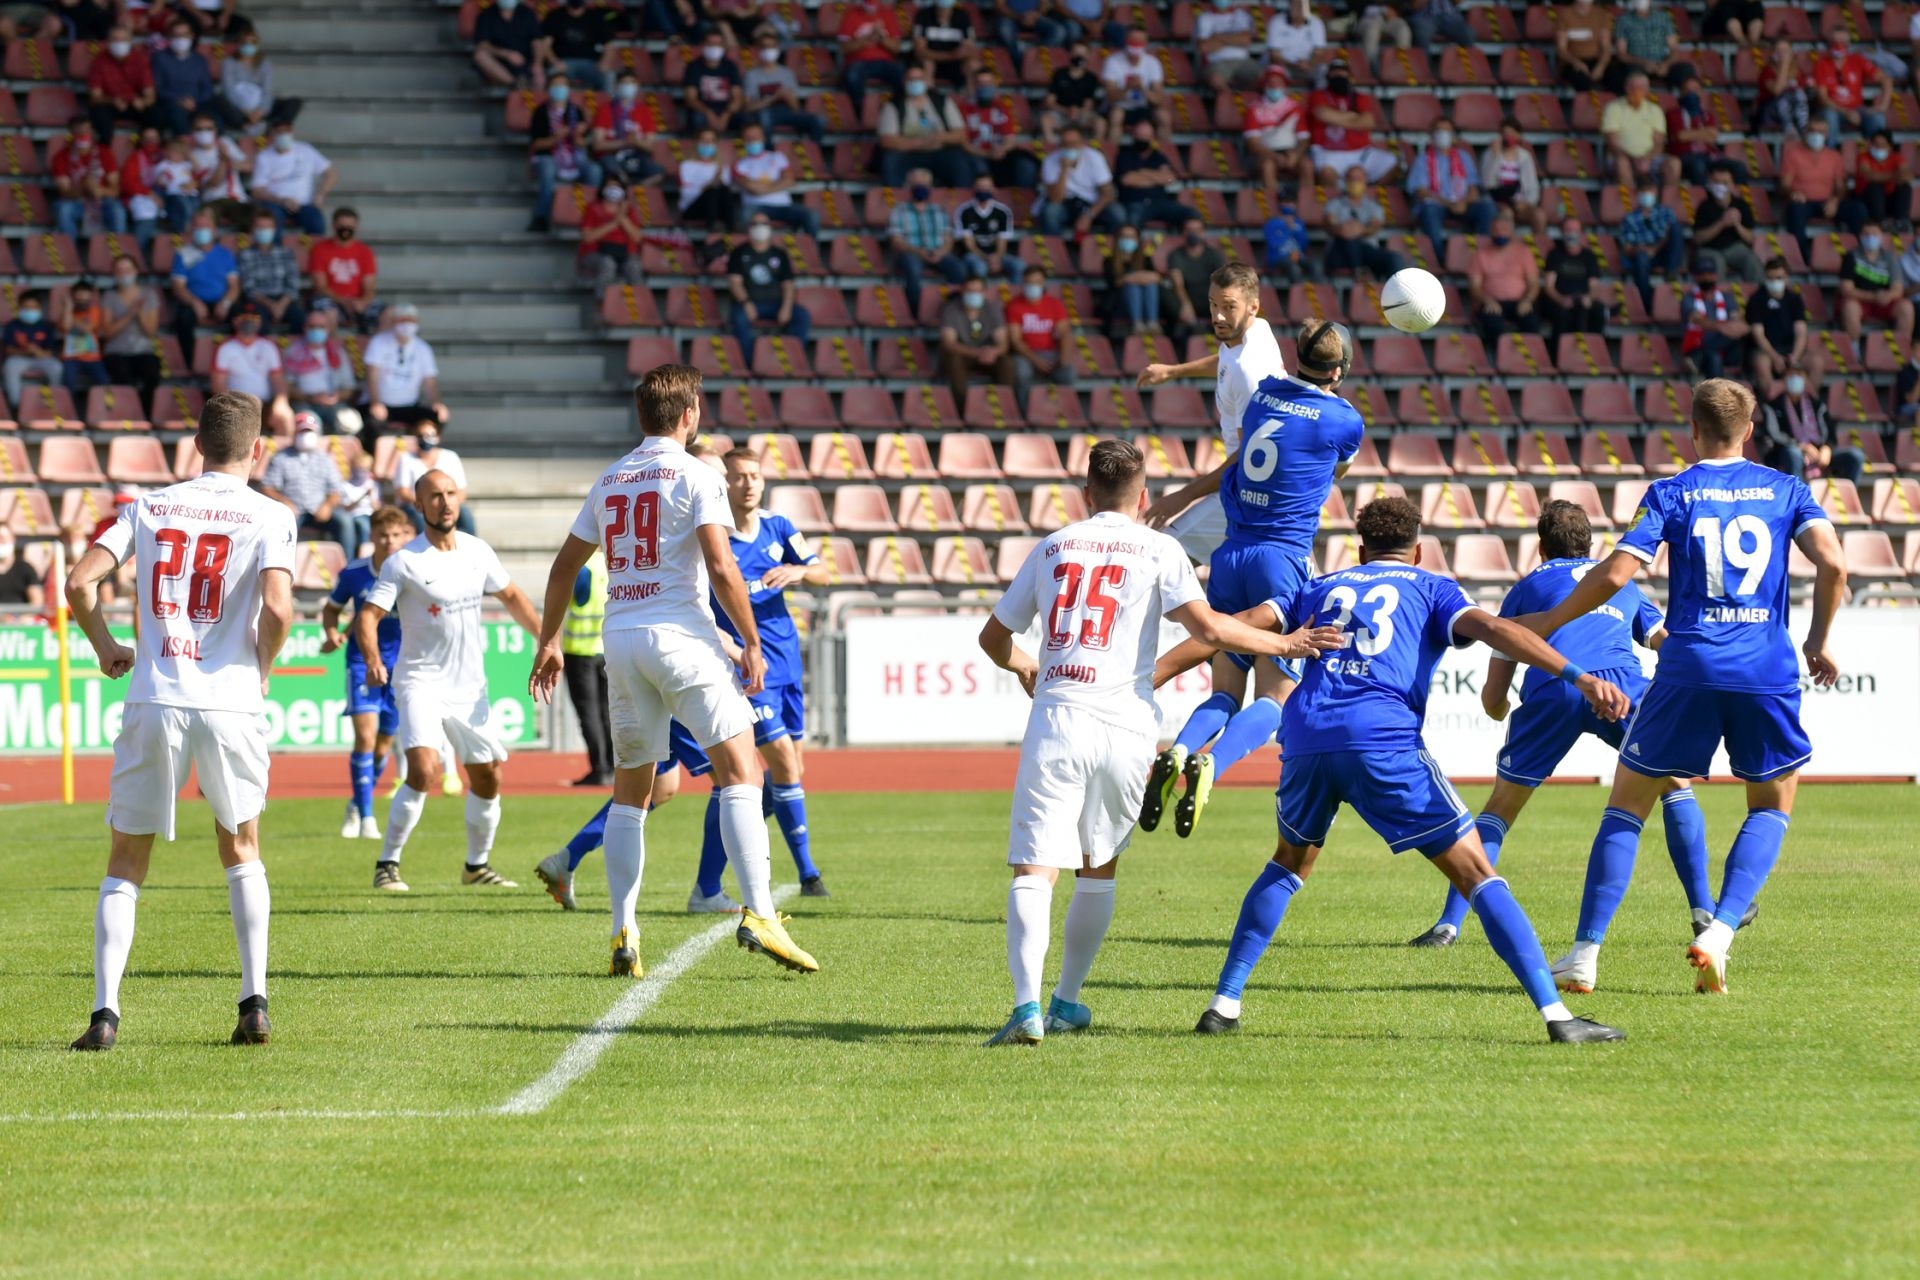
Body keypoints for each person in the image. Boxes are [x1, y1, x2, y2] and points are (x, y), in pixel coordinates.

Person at [1166, 496, 1630, 1044]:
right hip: (1381, 741)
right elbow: (1496, 630)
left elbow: (1228, 628)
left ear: (1360, 549)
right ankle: (1558, 1018)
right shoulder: (1431, 587)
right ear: (1416, 550)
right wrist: (1577, 675)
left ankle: (1223, 1004)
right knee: (1478, 874)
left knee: (1288, 864)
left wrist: (1152, 674)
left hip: (1306, 738)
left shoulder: (1319, 586)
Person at [976, 439, 1343, 1045]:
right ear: (1143, 495)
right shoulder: (1159, 548)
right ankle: (1067, 1001)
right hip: (1128, 723)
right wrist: (1286, 645)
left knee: (1035, 868)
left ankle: (1026, 1009)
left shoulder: (1054, 545)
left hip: (1061, 713)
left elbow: (993, 637)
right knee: (1098, 867)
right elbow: (1209, 629)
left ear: (1085, 494)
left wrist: (1023, 666)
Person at [1515, 379, 1848, 997]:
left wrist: (1551, 621)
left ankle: (1585, 954)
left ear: (1691, 431)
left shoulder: (1671, 492)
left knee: (1627, 804)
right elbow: (1833, 564)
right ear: (1751, 431)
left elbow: (1617, 571)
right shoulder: (1788, 490)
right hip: (1764, 670)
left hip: (1688, 665)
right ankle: (1719, 930)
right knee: (1772, 804)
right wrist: (1819, 640)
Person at [529, 364, 820, 976]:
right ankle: (761, 913)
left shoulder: (611, 477)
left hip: (622, 639)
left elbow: (563, 568)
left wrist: (549, 639)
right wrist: (749, 640)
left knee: (631, 794)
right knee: (741, 769)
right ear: (690, 416)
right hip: (682, 637)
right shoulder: (697, 473)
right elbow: (720, 566)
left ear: (641, 416)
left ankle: (622, 932)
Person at [64, 391, 297, 1051]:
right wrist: (263, 666)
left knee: (126, 857)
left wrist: (107, 647)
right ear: (258, 449)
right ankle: (254, 1001)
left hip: (155, 693)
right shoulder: (270, 514)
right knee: (241, 848)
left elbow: (80, 583)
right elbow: (278, 610)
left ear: (195, 445)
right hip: (230, 700)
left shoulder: (149, 505)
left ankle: (105, 1015)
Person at [1407, 500, 1710, 956]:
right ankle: (1703, 910)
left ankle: (1449, 924)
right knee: (1673, 783)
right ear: (1591, 544)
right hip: (1621, 688)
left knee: (1499, 811)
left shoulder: (1527, 588)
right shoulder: (1621, 584)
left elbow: (1494, 692)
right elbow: (1665, 643)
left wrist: (1498, 708)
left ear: (1541, 549)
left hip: (1555, 688)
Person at [1143, 320, 1363, 838]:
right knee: (1274, 697)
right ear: (1339, 371)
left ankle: (1177, 750)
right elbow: (1335, 473)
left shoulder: (1264, 395)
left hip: (1230, 554)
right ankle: (1211, 765)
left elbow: (1244, 455)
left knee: (1224, 688)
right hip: (1280, 559)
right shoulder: (1344, 419)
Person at [357, 470, 541, 892]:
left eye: (450, 494)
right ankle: (387, 863)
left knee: (488, 777)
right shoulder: (404, 561)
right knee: (423, 770)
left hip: (469, 686)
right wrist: (372, 659)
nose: (444, 502)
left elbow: (512, 597)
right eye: (434, 496)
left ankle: (476, 866)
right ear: (419, 506)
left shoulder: (478, 551)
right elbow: (368, 616)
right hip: (420, 681)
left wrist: (547, 641)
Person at [321, 506, 413, 839]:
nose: (389, 542)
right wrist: (333, 632)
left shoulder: (414, 572)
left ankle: (357, 805)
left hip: (402, 665)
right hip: (362, 662)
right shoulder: (355, 573)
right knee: (365, 735)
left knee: (385, 742)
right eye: (383, 535)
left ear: (406, 536)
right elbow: (332, 609)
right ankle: (369, 818)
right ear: (372, 536)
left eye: (395, 535)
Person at [557, 548, 613, 789]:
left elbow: (568, 597)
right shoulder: (612, 563)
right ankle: (613, 767)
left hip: (580, 649)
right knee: (607, 711)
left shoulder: (582, 565)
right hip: (607, 648)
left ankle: (599, 769)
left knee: (588, 713)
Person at [726, 211, 810, 363]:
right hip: (750, 303)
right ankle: (749, 363)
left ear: (770, 228)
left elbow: (788, 285)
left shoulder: (780, 254)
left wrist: (786, 307)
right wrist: (746, 303)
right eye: (755, 224)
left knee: (801, 315)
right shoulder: (738, 253)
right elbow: (734, 283)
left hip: (775, 304)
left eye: (764, 224)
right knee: (738, 318)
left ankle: (794, 359)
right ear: (749, 228)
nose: (760, 228)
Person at [259, 413, 353, 547]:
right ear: (295, 433)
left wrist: (327, 505)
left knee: (345, 521)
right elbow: (267, 487)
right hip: (293, 511)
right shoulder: (280, 457)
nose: (306, 435)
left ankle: (347, 564)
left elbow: (336, 490)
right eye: (302, 431)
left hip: (319, 510)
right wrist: (285, 503)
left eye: (309, 431)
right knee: (281, 526)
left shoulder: (325, 459)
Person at [1759, 366, 1865, 484]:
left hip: (1818, 451)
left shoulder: (1817, 405)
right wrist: (1802, 446)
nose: (1795, 379)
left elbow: (1830, 431)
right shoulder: (1773, 407)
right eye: (1791, 375)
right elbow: (1774, 435)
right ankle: (1800, 498)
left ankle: (1845, 495)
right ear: (1784, 380)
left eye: (1799, 375)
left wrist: (1827, 448)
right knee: (1793, 454)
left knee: (1855, 456)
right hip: (1788, 453)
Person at [876, 65, 973, 189]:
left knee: (959, 161)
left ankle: (961, 199)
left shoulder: (942, 101)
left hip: (938, 151)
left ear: (926, 81)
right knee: (890, 160)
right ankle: (892, 200)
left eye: (919, 79)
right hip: (908, 154)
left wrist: (940, 137)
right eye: (911, 79)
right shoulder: (893, 105)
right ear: (904, 82)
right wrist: (922, 142)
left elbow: (960, 133)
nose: (915, 82)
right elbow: (887, 140)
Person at [362, 304, 447, 441]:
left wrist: (437, 403)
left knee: (437, 416)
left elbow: (430, 382)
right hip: (381, 405)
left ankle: (425, 453)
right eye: (402, 320)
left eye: (411, 321)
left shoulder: (423, 349)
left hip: (409, 406)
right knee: (372, 423)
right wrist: (376, 403)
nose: (407, 325)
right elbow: (372, 377)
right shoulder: (378, 343)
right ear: (394, 322)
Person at [888, 167, 966, 314]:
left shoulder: (940, 211)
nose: (921, 188)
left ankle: (953, 310)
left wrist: (941, 253)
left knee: (958, 269)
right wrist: (919, 251)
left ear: (931, 187)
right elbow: (896, 241)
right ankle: (916, 312)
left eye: (924, 184)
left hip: (937, 253)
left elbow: (948, 239)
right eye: (917, 185)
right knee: (913, 268)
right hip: (911, 253)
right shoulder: (899, 211)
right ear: (909, 187)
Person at [528, 74, 600, 233]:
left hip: (574, 155)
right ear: (549, 89)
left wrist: (579, 137)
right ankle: (541, 217)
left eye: (563, 85)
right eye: (556, 85)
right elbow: (536, 144)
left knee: (594, 170)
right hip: (547, 155)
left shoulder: (576, 111)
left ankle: (592, 217)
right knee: (548, 169)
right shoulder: (540, 112)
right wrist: (556, 138)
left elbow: (583, 143)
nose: (559, 89)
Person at [1408, 118, 1494, 249]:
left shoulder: (1463, 157)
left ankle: (1482, 255)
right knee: (1429, 211)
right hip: (1438, 205)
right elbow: (1421, 192)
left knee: (1487, 208)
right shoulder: (1423, 159)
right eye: (1439, 130)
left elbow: (1473, 187)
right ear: (1431, 135)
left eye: (1447, 130)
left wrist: (1464, 202)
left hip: (1462, 203)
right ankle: (1438, 261)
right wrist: (1449, 204)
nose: (1444, 134)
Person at [1307, 56, 1394, 184]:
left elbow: (1368, 122)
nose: (1339, 74)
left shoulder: (1359, 97)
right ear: (1328, 75)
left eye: (1342, 71)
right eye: (1334, 71)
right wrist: (1354, 117)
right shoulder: (1318, 95)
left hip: (1360, 151)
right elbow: (1323, 114)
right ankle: (1337, 202)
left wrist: (1337, 117)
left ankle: (1367, 197)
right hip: (1329, 151)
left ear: (1349, 75)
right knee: (1326, 172)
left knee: (1389, 162)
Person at [1839, 221, 1914, 357]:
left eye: (1874, 234)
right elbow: (1847, 289)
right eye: (1866, 234)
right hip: (1860, 301)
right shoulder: (1851, 256)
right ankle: (1853, 351)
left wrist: (1888, 296)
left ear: (1882, 236)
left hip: (1885, 302)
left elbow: (1898, 289)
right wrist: (1874, 296)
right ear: (1860, 236)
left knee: (1906, 307)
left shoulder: (1890, 257)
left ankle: (1901, 352)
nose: (1870, 237)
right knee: (1850, 307)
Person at [1779, 121, 1853, 258]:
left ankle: (1856, 256)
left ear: (1827, 135)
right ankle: (1800, 257)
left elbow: (1841, 187)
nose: (1816, 135)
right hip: (1803, 203)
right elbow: (1784, 185)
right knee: (1795, 210)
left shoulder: (1834, 156)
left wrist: (1835, 201)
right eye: (1813, 131)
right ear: (1806, 133)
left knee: (1858, 210)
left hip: (1827, 203)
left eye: (1821, 132)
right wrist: (1792, 193)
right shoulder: (1793, 154)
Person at [1468, 209, 1540, 346]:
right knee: (1493, 325)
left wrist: (1528, 300)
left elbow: (1533, 283)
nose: (1500, 233)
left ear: (1512, 231)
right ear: (1490, 231)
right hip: (1491, 303)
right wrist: (1487, 300)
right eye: (1496, 229)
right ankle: (1498, 361)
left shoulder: (1524, 252)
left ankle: (1527, 361)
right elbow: (1474, 286)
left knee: (1531, 323)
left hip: (1520, 301)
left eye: (1504, 229)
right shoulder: (1480, 254)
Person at [283, 302, 358, 434]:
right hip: (304, 403)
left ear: (328, 329)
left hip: (334, 404)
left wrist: (336, 397)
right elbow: (286, 386)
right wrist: (310, 397)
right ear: (305, 328)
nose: (316, 330)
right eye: (312, 326)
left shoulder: (338, 353)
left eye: (321, 327)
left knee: (349, 423)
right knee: (309, 425)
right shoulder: (293, 352)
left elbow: (349, 388)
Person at [732, 123, 818, 236]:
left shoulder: (778, 157)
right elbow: (754, 189)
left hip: (784, 207)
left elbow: (789, 181)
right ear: (743, 140)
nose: (752, 140)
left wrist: (761, 187)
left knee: (812, 216)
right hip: (756, 208)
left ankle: (810, 251)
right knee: (743, 215)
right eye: (749, 137)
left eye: (756, 136)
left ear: (763, 138)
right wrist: (777, 184)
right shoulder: (738, 165)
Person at [51, 117, 129, 242]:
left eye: (86, 130)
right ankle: (70, 253)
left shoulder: (105, 153)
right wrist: (83, 187)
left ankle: (119, 252)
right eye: (78, 131)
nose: (83, 134)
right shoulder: (61, 157)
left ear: (92, 132)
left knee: (118, 211)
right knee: (63, 210)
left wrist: (101, 190)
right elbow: (64, 192)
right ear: (71, 134)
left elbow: (116, 189)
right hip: (77, 201)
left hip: (102, 200)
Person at [249, 121, 333, 236]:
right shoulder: (264, 157)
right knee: (271, 222)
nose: (284, 135)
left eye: (287, 131)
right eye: (279, 132)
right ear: (272, 135)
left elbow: (331, 173)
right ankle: (275, 252)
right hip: (276, 203)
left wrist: (320, 194)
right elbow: (257, 191)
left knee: (316, 223)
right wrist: (282, 200)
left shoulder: (306, 150)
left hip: (305, 203)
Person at [1034, 123, 1120, 236]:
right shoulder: (1050, 160)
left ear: (1081, 144)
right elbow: (1056, 199)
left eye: (1073, 143)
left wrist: (1089, 216)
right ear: (1060, 145)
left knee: (1117, 213)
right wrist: (1064, 169)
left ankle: (1110, 250)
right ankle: (1054, 250)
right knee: (1050, 212)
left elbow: (1108, 193)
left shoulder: (1095, 157)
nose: (1069, 147)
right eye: (1065, 144)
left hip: (1090, 203)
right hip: (1065, 204)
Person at [1006, 266, 1073, 408]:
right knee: (1021, 372)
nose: (1033, 286)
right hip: (1025, 355)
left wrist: (1063, 359)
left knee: (1067, 373)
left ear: (1043, 283)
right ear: (1023, 283)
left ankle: (1062, 411)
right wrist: (1036, 360)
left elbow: (1065, 334)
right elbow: (1015, 341)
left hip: (1051, 353)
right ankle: (1024, 412)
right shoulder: (1013, 306)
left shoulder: (1055, 304)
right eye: (1029, 282)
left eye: (1037, 282)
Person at [1112, 118, 1197, 231]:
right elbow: (1127, 180)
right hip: (1135, 203)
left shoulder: (1158, 156)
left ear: (1152, 138)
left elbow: (1169, 179)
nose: (1142, 139)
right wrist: (1156, 177)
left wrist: (1142, 172)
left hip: (1161, 203)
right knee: (1130, 228)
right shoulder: (1124, 155)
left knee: (1192, 215)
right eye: (1140, 135)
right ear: (1133, 136)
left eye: (1145, 136)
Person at [1746, 256, 1812, 400]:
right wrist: (1775, 357)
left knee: (1816, 362)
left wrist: (1795, 356)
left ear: (1786, 278)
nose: (1774, 282)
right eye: (1770, 278)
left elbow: (1801, 332)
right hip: (1766, 350)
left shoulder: (1794, 299)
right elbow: (1758, 334)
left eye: (1778, 278)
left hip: (1790, 348)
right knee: (1761, 362)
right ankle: (1774, 404)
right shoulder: (1756, 299)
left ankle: (1809, 403)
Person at [938, 272, 1011, 401]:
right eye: (969, 290)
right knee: (953, 360)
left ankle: (1004, 403)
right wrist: (975, 353)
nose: (973, 294)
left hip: (987, 354)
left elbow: (1003, 343)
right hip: (963, 354)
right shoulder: (951, 310)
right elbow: (949, 343)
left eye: (977, 291)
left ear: (984, 292)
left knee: (1007, 362)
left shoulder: (993, 310)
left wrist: (993, 352)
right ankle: (963, 407)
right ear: (962, 291)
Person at [391, 423, 475, 535]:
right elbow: (402, 492)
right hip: (416, 506)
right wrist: (427, 503)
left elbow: (461, 491)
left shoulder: (450, 457)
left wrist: (448, 504)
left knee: (464, 513)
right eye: (421, 435)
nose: (425, 439)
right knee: (420, 515)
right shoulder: (406, 459)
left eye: (430, 435)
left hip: (446, 504)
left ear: (438, 437)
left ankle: (468, 548)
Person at [102, 256, 162, 409]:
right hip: (117, 352)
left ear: (136, 271)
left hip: (144, 351)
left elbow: (151, 331)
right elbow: (107, 333)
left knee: (152, 373)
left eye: (128, 270)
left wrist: (140, 312)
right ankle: (127, 412)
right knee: (122, 375)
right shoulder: (109, 296)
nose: (124, 274)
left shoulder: (149, 295)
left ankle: (146, 415)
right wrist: (129, 314)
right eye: (119, 270)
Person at [960, 67, 1036, 189]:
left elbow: (1010, 139)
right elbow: (963, 143)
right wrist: (986, 153)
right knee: (977, 165)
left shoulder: (1002, 108)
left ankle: (1023, 200)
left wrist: (1001, 150)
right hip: (976, 155)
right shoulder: (964, 110)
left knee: (1025, 164)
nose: (985, 87)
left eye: (988, 83)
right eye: (981, 83)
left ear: (995, 85)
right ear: (974, 85)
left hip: (999, 153)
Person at [744, 29, 825, 142]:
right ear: (758, 50)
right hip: (764, 112)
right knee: (764, 118)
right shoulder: (751, 75)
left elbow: (796, 107)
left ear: (778, 49)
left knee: (818, 120)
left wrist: (789, 98)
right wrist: (774, 98)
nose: (769, 50)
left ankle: (815, 153)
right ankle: (769, 154)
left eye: (772, 46)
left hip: (786, 112)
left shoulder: (787, 73)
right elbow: (748, 107)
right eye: (765, 47)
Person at [1616, 174, 1684, 309]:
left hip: (1664, 253)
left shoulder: (1666, 213)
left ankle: (1671, 275)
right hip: (1642, 256)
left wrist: (1655, 249)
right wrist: (1640, 250)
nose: (1648, 194)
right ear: (1638, 193)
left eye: (1651, 190)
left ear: (1657, 192)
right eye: (1644, 190)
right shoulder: (1630, 218)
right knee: (1640, 259)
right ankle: (1647, 304)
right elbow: (1627, 249)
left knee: (1676, 229)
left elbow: (1671, 236)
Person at [309, 206, 379, 334]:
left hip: (358, 301)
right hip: (331, 299)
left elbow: (369, 287)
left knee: (390, 314)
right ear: (334, 226)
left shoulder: (365, 252)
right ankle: (333, 352)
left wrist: (362, 302)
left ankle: (376, 351)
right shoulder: (320, 250)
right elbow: (320, 286)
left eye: (350, 226)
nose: (346, 230)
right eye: (342, 225)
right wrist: (344, 301)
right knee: (329, 312)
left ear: (356, 227)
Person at [1810, 30, 1890, 141]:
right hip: (1833, 108)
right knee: (1829, 117)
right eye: (1835, 41)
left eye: (1842, 41)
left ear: (1848, 44)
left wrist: (1883, 106)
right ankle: (1830, 154)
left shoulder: (1857, 60)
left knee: (1878, 118)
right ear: (1829, 43)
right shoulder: (1821, 64)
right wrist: (1846, 112)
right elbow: (1823, 98)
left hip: (1857, 108)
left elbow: (1886, 79)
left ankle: (1871, 154)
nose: (1838, 44)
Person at [1323, 164, 1399, 280]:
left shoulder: (1374, 206)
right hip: (1340, 252)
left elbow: (1375, 226)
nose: (1354, 182)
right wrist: (1344, 229)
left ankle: (1394, 295)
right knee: (1350, 239)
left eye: (1358, 179)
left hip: (1367, 251)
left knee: (1394, 258)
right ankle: (1359, 273)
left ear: (1365, 181)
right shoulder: (1334, 204)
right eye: (1351, 179)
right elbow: (1330, 224)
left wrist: (1360, 229)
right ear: (1345, 181)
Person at [591, 73, 665, 191]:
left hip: (635, 156)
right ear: (617, 86)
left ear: (637, 87)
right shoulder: (605, 110)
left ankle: (632, 191)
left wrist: (636, 142)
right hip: (611, 156)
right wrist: (624, 142)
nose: (628, 86)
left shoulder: (645, 111)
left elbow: (650, 147)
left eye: (632, 83)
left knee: (657, 173)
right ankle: (625, 189)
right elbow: (597, 145)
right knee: (616, 172)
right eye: (624, 82)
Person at [1692, 160, 1762, 284]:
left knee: (1751, 259)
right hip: (1710, 249)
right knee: (1717, 262)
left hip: (1734, 248)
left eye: (1725, 183)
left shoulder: (1742, 205)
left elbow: (1751, 239)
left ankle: (1755, 297)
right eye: (1716, 182)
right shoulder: (1704, 206)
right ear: (1710, 183)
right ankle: (1720, 301)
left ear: (1733, 185)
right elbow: (1698, 239)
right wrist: (1721, 223)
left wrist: (1737, 225)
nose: (1720, 186)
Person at [1242, 65, 1307, 197]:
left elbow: (1304, 138)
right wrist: (1274, 156)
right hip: (1264, 153)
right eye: (1270, 82)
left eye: (1278, 82)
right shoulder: (1253, 109)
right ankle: (1273, 207)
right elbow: (1253, 143)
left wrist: (1295, 154)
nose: (1274, 86)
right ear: (1264, 85)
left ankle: (1306, 206)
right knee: (1267, 166)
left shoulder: (1295, 107)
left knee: (1308, 166)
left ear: (1284, 85)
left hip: (1290, 151)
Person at [86, 24, 159, 141]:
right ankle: (105, 152)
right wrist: (112, 100)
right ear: (108, 42)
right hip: (110, 104)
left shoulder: (140, 60)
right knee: (99, 114)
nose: (119, 43)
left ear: (130, 41)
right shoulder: (99, 62)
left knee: (155, 114)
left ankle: (144, 151)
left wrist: (144, 101)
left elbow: (150, 94)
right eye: (115, 39)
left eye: (123, 40)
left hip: (134, 103)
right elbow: (95, 96)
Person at [153, 20, 224, 136]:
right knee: (178, 118)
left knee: (216, 120)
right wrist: (179, 100)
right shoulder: (160, 59)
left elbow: (207, 87)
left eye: (184, 35)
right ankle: (184, 148)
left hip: (198, 103)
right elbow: (158, 88)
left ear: (191, 36)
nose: (180, 39)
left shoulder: (199, 60)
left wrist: (194, 100)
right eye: (176, 35)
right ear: (169, 37)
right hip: (172, 104)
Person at [1681, 257, 1748, 380]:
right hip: (1699, 344)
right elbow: (1695, 318)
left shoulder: (1727, 297)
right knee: (1713, 357)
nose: (1707, 277)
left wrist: (1734, 328)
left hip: (1728, 350)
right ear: (1696, 277)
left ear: (1716, 275)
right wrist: (1721, 328)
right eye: (1703, 274)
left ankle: (1697, 358)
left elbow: (1736, 319)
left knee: (1743, 335)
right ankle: (1718, 398)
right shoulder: (1689, 298)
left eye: (1710, 274)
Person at [1100, 27, 1172, 141]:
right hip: (1120, 106)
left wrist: (1142, 88)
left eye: (1140, 41)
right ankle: (1112, 152)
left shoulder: (1153, 62)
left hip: (1143, 106)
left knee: (1164, 116)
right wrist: (1127, 88)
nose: (1136, 45)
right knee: (1116, 116)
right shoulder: (1112, 61)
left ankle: (1163, 153)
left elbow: (1158, 98)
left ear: (1146, 43)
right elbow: (1110, 96)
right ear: (1125, 41)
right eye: (1133, 41)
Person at [238, 209, 304, 331]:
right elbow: (249, 288)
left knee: (301, 320)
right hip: (259, 302)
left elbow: (293, 283)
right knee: (257, 323)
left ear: (274, 229)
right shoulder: (245, 255)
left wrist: (281, 305)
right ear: (253, 230)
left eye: (268, 227)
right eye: (260, 227)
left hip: (284, 300)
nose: (264, 231)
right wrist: (271, 305)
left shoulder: (286, 253)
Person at [221, 31, 296, 138]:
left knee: (294, 103)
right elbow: (229, 91)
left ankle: (269, 125)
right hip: (239, 108)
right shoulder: (229, 63)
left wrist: (260, 112)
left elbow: (268, 91)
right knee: (219, 100)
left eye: (252, 43)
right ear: (238, 44)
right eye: (244, 42)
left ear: (257, 45)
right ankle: (244, 125)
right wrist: (247, 112)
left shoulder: (265, 64)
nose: (248, 46)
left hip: (259, 109)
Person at [1541, 217, 1607, 338]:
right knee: (1561, 313)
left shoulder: (1589, 256)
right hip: (1560, 299)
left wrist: (1589, 298)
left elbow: (1594, 286)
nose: (1571, 233)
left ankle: (1592, 349)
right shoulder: (1554, 254)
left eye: (1574, 230)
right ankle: (1558, 353)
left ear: (1581, 233)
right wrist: (1561, 300)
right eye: (1568, 229)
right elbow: (1549, 286)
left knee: (1597, 310)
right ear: (1562, 232)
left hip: (1581, 299)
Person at [1480, 116, 1546, 236]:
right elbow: (1487, 183)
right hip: (1498, 202)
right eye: (1505, 133)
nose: (1508, 137)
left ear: (1518, 136)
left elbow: (1532, 186)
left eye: (1511, 133)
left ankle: (1538, 249)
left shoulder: (1525, 156)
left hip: (1520, 203)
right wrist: (1496, 156)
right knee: (1507, 214)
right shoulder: (1489, 154)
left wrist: (1527, 203)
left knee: (1539, 215)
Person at [1667, 75, 1736, 187]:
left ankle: (1735, 199)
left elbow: (1713, 135)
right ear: (1681, 92)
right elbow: (1681, 136)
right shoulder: (1673, 114)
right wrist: (1704, 133)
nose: (1691, 93)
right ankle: (1702, 198)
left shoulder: (1707, 115)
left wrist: (1691, 134)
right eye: (1687, 89)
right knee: (1699, 165)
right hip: (1685, 156)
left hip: (1709, 155)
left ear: (1701, 92)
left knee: (1738, 167)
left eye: (1695, 90)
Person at [1602, 72, 1667, 189]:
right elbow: (1612, 143)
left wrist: (1647, 158)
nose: (1636, 91)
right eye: (1633, 87)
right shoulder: (1613, 107)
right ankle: (1631, 204)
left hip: (1649, 158)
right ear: (1626, 88)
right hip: (1621, 156)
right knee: (1622, 163)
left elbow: (1659, 143)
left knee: (1674, 164)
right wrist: (1633, 159)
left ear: (1647, 90)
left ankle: (1666, 205)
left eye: (1640, 87)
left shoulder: (1655, 110)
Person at [578, 179, 644, 294]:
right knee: (608, 264)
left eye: (617, 187)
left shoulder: (629, 210)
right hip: (596, 253)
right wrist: (613, 224)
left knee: (634, 266)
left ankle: (639, 304)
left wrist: (622, 216)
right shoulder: (592, 208)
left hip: (624, 253)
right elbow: (588, 238)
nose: (613, 190)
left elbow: (637, 238)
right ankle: (601, 303)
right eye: (610, 186)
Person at [541, 0, 622, 92]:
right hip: (563, 62)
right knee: (552, 73)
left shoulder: (595, 17)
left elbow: (609, 46)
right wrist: (555, 62)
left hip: (590, 63)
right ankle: (555, 106)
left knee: (608, 75)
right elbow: (545, 45)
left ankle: (606, 105)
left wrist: (604, 63)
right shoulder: (555, 15)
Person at [1166, 219, 1227, 341]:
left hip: (1208, 297)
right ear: (1183, 232)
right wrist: (1186, 304)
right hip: (1185, 297)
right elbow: (1178, 284)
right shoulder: (1175, 255)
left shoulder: (1214, 255)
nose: (1193, 233)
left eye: (1197, 230)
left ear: (1203, 232)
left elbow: (1221, 282)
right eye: (1189, 230)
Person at [2, 291, 62, 408]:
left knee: (57, 367)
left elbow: (50, 351)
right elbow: (8, 350)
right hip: (19, 358)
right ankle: (16, 405)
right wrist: (26, 351)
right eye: (26, 307)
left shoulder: (46, 326)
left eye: (34, 307)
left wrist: (38, 352)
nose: (30, 310)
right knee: (9, 366)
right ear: (20, 308)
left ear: (40, 308)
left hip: (41, 358)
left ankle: (55, 401)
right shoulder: (12, 325)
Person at [953, 179, 1020, 282]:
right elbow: (969, 245)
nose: (983, 190)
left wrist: (997, 258)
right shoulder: (964, 211)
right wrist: (986, 258)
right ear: (974, 188)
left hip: (998, 255)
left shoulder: (1003, 211)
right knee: (980, 267)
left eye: (986, 187)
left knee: (1019, 265)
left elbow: (1002, 242)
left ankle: (1016, 295)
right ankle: (982, 296)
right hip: (974, 255)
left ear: (993, 189)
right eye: (980, 186)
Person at [1039, 40, 1106, 145]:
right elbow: (1049, 101)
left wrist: (1077, 112)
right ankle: (1051, 147)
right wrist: (1066, 110)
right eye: (1076, 53)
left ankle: (1095, 149)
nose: (1079, 57)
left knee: (1100, 123)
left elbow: (1089, 104)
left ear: (1088, 56)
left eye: (1082, 54)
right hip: (1060, 113)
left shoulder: (1091, 78)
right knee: (1045, 120)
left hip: (1081, 114)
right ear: (1070, 54)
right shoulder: (1059, 74)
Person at [840, 0, 906, 104]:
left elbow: (896, 48)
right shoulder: (851, 15)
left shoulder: (888, 14)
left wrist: (880, 37)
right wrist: (867, 38)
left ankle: (897, 110)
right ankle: (861, 115)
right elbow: (845, 49)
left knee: (903, 75)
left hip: (885, 62)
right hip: (858, 62)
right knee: (852, 76)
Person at [1102, 228, 1163, 337]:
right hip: (1120, 305)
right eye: (1124, 236)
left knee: (1151, 285)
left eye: (1131, 237)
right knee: (1132, 287)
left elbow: (1156, 277)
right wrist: (1133, 279)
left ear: (1137, 240)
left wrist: (1131, 277)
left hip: (1145, 303)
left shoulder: (1145, 259)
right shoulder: (1109, 261)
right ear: (1118, 239)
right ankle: (1137, 325)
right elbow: (1113, 283)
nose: (1128, 240)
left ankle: (1153, 324)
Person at [1610, 0, 1682, 92]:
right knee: (1633, 77)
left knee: (1686, 72)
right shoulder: (1623, 20)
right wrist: (1644, 63)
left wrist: (1666, 64)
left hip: (1662, 63)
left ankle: (1690, 104)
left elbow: (1674, 49)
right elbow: (1621, 54)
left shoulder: (1663, 17)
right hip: (1636, 65)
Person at [473, 0, 547, 89]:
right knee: (480, 55)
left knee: (541, 78)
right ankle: (515, 84)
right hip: (499, 62)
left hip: (525, 60)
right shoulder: (486, 15)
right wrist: (506, 54)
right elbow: (482, 44)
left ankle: (526, 84)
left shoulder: (527, 13)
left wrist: (537, 63)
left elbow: (537, 40)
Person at [681, 33, 744, 136]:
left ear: (723, 46)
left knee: (746, 119)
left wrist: (726, 115)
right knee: (697, 119)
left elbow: (737, 97)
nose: (715, 47)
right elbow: (691, 99)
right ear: (703, 45)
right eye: (711, 43)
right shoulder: (693, 67)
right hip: (702, 110)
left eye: (718, 44)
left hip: (726, 110)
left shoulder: (730, 66)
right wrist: (708, 113)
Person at [677, 127, 736, 234]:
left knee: (725, 191)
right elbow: (686, 194)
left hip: (717, 208)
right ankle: (712, 230)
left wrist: (716, 183)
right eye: (704, 140)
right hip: (693, 208)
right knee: (712, 192)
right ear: (696, 142)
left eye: (711, 140)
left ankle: (731, 231)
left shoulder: (722, 166)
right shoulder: (686, 165)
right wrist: (708, 186)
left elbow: (724, 194)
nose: (707, 143)